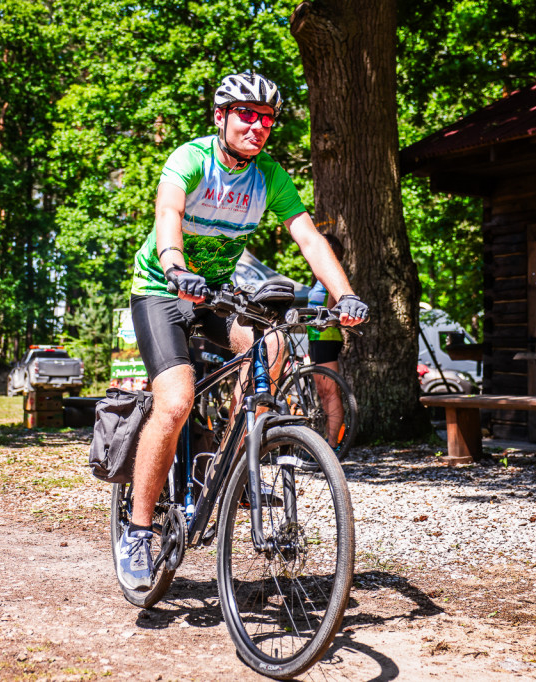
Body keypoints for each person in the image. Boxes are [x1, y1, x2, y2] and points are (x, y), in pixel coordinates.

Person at [116, 72, 370, 591]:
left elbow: (309, 239)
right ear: (221, 117)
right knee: (176, 401)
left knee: (272, 347)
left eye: (267, 118)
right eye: (247, 115)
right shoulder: (191, 158)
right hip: (162, 289)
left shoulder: (271, 176)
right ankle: (138, 531)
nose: (258, 126)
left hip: (215, 293)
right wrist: (174, 264)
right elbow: (169, 211)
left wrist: (344, 294)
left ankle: (233, 464)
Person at [306, 233, 347, 448]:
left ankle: (333, 445)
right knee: (322, 392)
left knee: (330, 393)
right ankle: (329, 441)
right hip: (315, 337)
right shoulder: (318, 276)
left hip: (327, 337)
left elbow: (332, 307)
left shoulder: (332, 274)